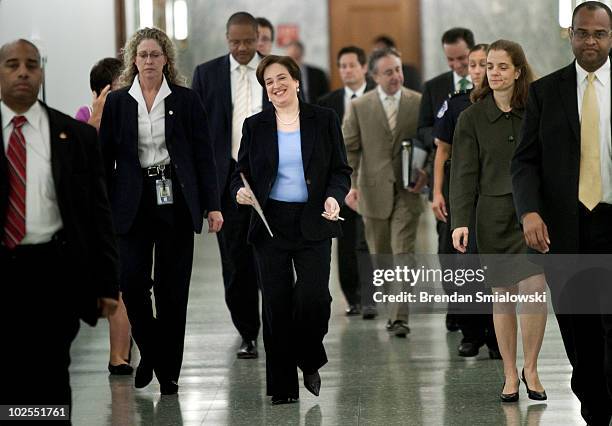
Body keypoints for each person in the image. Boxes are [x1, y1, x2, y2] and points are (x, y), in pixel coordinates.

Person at [99, 27, 223, 396]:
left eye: (155, 54)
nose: (149, 61)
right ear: (132, 61)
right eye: (142, 55)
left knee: (172, 291)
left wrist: (213, 205)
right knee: (132, 282)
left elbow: (204, 156)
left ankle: (169, 372)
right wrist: (100, 208)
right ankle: (151, 350)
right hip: (131, 201)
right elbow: (104, 159)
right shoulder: (120, 102)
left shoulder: (185, 100)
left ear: (166, 59)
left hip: (175, 199)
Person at [0, 39, 119, 415]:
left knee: (50, 372)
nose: (23, 72)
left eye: (31, 65)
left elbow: (96, 214)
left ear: (41, 73)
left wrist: (106, 283)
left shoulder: (74, 136)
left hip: (53, 270)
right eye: (12, 64)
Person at [511, 2, 612, 423]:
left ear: (611, 37)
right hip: (564, 229)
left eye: (600, 34)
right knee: (578, 328)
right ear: (569, 35)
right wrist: (530, 212)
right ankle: (594, 404)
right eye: (583, 32)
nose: (590, 41)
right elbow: (524, 161)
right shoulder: (545, 92)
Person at [232, 55, 351, 404]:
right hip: (270, 224)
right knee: (276, 305)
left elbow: (340, 170)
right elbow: (239, 172)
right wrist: (238, 191)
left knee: (315, 298)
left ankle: (310, 356)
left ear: (296, 81)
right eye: (269, 82)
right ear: (265, 89)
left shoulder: (324, 119)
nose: (276, 85)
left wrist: (333, 198)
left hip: (314, 219)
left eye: (282, 78)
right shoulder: (255, 126)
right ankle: (282, 387)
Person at [450, 40, 547, 403]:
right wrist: (460, 221)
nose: (494, 73)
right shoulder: (471, 118)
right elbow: (462, 173)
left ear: (518, 70)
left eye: (503, 66)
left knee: (534, 289)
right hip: (491, 216)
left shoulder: (536, 109)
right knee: (503, 296)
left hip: (531, 214)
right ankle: (509, 371)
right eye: (490, 66)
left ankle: (532, 368)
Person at [192, 12, 266, 359]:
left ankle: (279, 326)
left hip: (270, 179)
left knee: (273, 259)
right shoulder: (207, 75)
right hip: (228, 179)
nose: (241, 48)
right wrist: (206, 195)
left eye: (247, 41)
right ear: (226, 38)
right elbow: (196, 135)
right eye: (234, 42)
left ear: (258, 38)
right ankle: (247, 332)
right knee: (236, 263)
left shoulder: (275, 71)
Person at [343, 48, 425, 336]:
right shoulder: (360, 107)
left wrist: (424, 174)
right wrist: (351, 185)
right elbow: (349, 149)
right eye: (388, 72)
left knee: (404, 253)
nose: (396, 76)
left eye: (399, 69)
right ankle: (393, 307)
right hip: (372, 192)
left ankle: (399, 317)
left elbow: (428, 142)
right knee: (382, 256)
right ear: (374, 75)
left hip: (408, 191)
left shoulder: (417, 102)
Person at [432, 44, 500, 359]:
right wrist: (436, 194)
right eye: (472, 64)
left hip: (492, 195)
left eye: (482, 64)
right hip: (460, 195)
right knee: (459, 265)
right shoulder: (456, 105)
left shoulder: (503, 103)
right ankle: (471, 333)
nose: (476, 70)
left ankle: (497, 335)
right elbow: (441, 152)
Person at [75, 57, 133, 375]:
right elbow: (77, 163)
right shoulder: (84, 119)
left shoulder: (135, 118)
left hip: (127, 210)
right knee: (116, 285)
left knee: (128, 284)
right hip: (97, 215)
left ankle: (121, 353)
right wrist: (96, 120)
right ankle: (119, 355)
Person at [418, 27, 474, 333]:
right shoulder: (435, 87)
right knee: (448, 249)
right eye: (450, 59)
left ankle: (475, 318)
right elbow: (422, 128)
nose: (457, 65)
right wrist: (444, 132)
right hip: (446, 173)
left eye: (462, 58)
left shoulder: (485, 83)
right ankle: (456, 307)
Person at [318, 46, 376, 318]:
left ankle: (371, 296)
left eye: (352, 65)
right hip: (341, 182)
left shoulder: (377, 96)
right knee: (345, 239)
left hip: (374, 180)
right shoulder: (327, 102)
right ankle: (352, 297)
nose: (347, 70)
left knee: (371, 240)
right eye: (342, 66)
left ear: (364, 67)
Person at [75, 57, 122, 131]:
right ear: (104, 91)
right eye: (120, 85)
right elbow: (82, 141)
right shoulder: (86, 113)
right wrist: (95, 119)